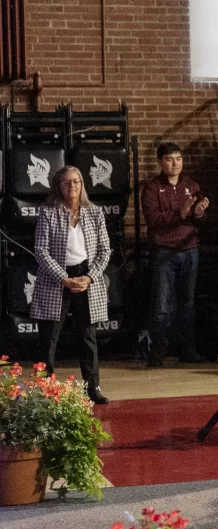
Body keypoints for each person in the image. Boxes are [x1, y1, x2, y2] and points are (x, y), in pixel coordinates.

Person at [35, 164, 113, 404]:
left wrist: (89, 277)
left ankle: (93, 388)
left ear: (83, 185)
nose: (73, 186)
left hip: (86, 278)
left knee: (88, 339)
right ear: (59, 186)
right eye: (67, 182)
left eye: (77, 181)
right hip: (56, 280)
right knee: (49, 339)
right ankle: (44, 391)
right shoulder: (48, 213)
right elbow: (41, 250)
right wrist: (63, 278)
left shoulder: (95, 213)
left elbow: (104, 250)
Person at [140, 141, 209, 367]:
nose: (175, 163)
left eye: (178, 159)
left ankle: (186, 349)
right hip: (164, 253)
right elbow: (154, 220)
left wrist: (198, 214)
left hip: (190, 251)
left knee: (187, 304)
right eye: (169, 159)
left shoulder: (192, 186)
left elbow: (200, 221)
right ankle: (158, 350)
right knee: (161, 304)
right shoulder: (151, 188)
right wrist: (180, 213)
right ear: (161, 162)